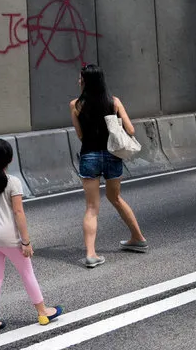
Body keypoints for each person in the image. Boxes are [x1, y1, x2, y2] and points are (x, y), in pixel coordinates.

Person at [0, 139, 63, 334]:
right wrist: (26, 241)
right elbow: (18, 213)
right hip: (10, 237)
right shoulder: (14, 182)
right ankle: (43, 312)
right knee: (27, 273)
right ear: (10, 159)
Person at [69, 63, 148, 268]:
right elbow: (130, 129)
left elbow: (80, 135)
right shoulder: (114, 102)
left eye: (81, 78)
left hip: (90, 156)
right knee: (116, 198)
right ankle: (137, 238)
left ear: (86, 81)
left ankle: (91, 254)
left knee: (92, 207)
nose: (79, 81)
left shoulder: (75, 105)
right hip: (113, 155)